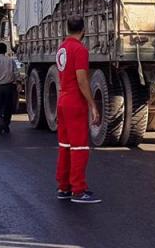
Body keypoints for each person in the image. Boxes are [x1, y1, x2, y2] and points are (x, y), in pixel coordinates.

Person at [55, 15, 102, 204]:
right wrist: (92, 104)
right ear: (83, 30)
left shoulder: (62, 48)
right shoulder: (80, 50)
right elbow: (82, 80)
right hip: (75, 102)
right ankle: (78, 190)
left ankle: (63, 187)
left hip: (63, 100)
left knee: (65, 147)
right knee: (80, 147)